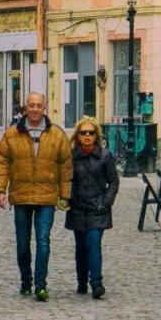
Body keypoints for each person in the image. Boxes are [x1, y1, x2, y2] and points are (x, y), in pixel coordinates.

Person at [0, 92, 71, 301]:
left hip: (47, 196)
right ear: (25, 108)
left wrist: (65, 195)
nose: (35, 109)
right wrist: (1, 190)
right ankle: (26, 280)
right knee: (22, 243)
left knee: (43, 240)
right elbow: (2, 161)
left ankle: (41, 284)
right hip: (21, 195)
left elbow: (65, 167)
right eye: (31, 105)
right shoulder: (12, 134)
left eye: (39, 105)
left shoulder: (57, 135)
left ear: (44, 108)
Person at [65, 117, 120, 299]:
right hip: (78, 207)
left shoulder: (105, 156)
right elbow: (64, 179)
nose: (87, 136)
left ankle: (96, 282)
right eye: (83, 133)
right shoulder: (71, 156)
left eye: (90, 132)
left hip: (98, 208)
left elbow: (113, 182)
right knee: (81, 247)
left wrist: (106, 202)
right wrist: (64, 198)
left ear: (96, 135)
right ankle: (81, 281)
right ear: (77, 136)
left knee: (94, 244)